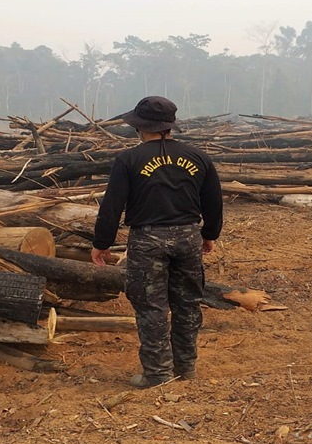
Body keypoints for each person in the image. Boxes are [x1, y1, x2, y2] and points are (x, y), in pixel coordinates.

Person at [91, 95, 223, 389]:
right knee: (188, 304)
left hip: (148, 239)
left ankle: (157, 373)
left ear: (140, 127)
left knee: (152, 307)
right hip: (188, 237)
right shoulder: (198, 157)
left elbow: (112, 205)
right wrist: (210, 234)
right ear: (169, 126)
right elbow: (213, 201)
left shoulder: (128, 159)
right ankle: (186, 367)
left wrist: (102, 242)